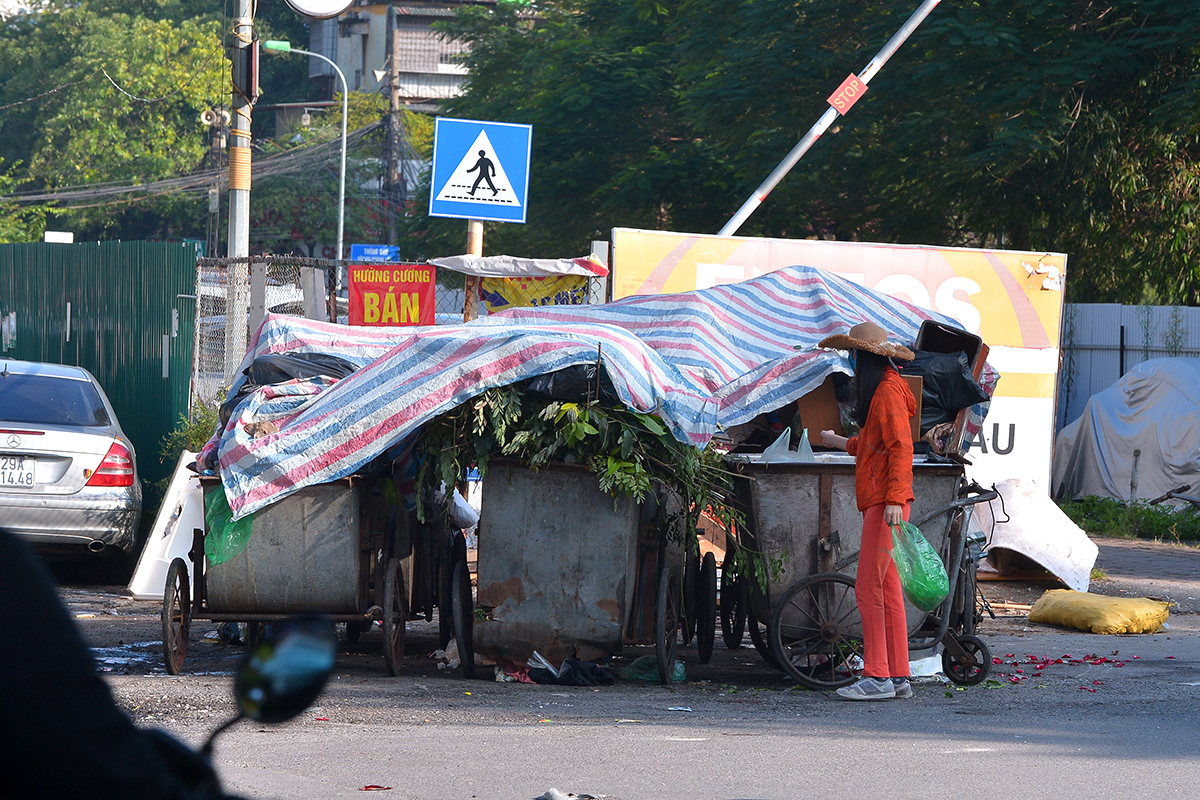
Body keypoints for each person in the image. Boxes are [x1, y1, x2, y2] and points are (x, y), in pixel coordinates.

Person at [817, 321, 917, 701]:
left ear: (866, 358)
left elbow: (899, 450)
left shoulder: (887, 393)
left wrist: (894, 498)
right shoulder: (887, 391)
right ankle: (898, 675)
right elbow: (876, 446)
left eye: (853, 356)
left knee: (868, 588)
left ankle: (877, 676)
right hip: (885, 500)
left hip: (885, 503)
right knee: (887, 588)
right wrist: (840, 441)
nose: (851, 363)